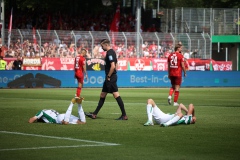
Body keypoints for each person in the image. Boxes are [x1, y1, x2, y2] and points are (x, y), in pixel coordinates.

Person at [85, 39, 128, 120]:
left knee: (116, 95)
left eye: (102, 46)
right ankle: (94, 114)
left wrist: (109, 76)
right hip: (111, 76)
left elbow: (113, 66)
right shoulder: (112, 52)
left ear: (106, 45)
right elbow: (116, 65)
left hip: (110, 77)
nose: (102, 48)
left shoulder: (110, 53)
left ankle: (124, 115)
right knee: (102, 95)